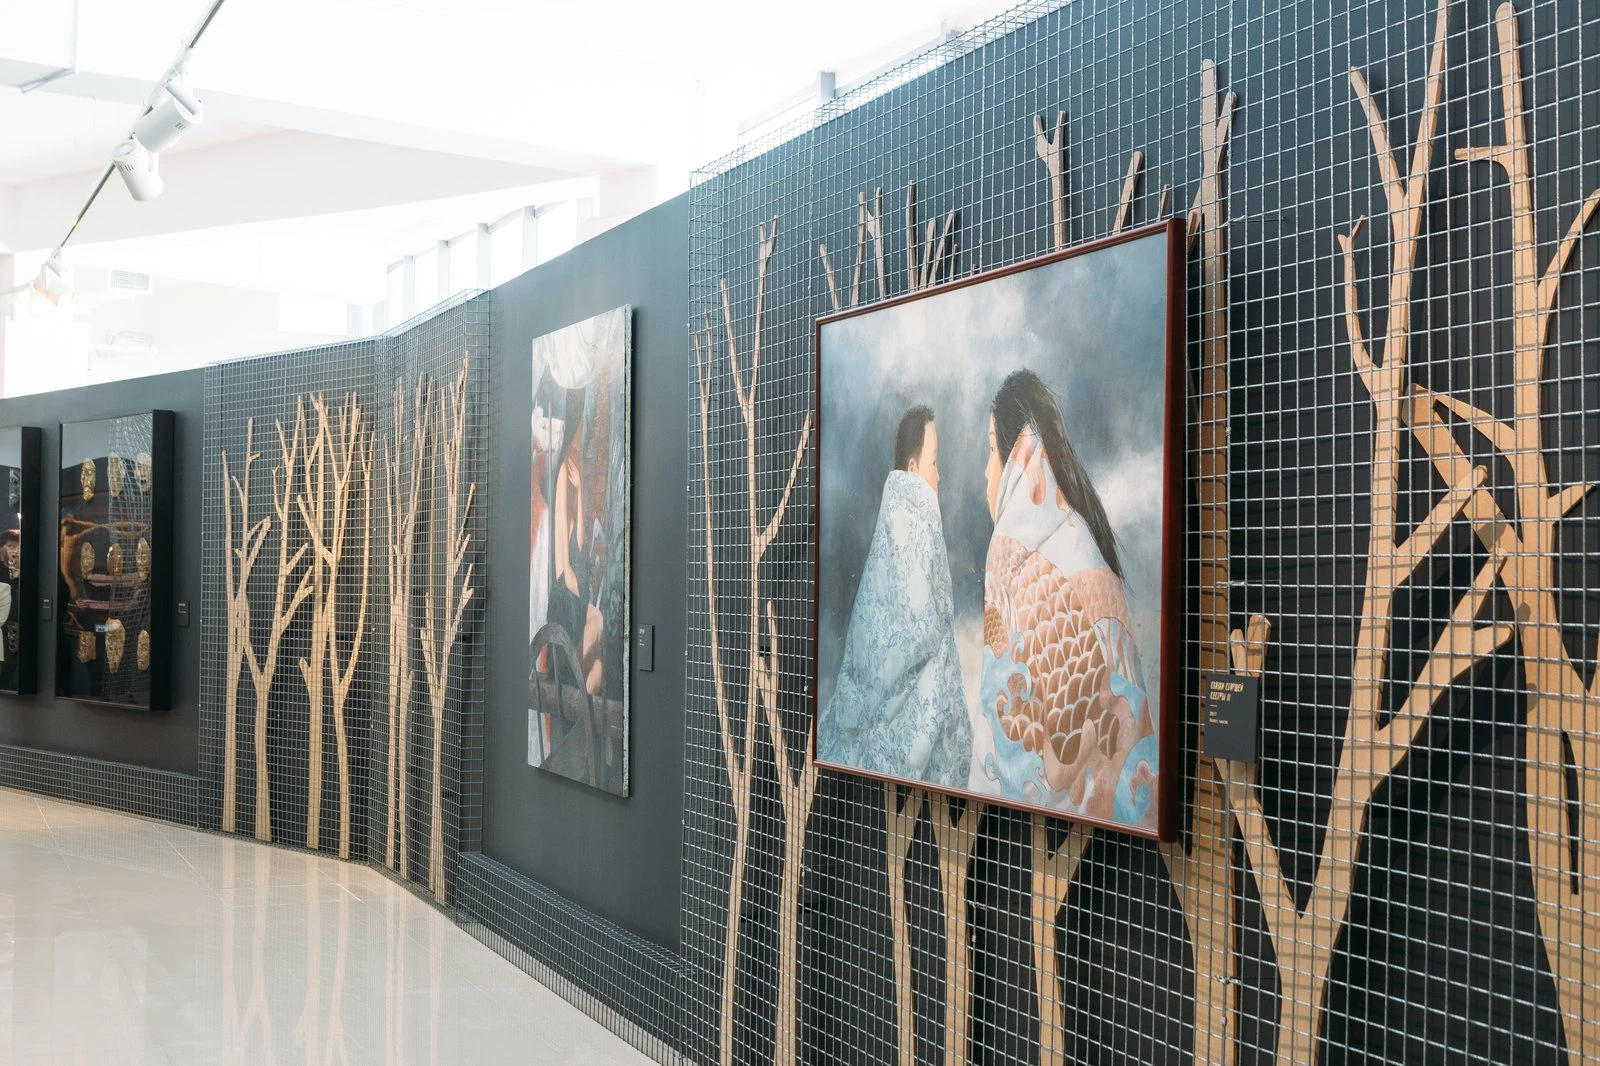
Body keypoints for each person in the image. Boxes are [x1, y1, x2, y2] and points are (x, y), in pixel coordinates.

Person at [977, 370, 1156, 830]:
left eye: (991, 452)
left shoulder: (1009, 553)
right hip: (1125, 819)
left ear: (1016, 457)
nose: (986, 471)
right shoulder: (1086, 544)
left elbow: (1004, 748)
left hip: (1040, 833)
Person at [819, 405, 971, 788]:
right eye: (934, 462)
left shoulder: (897, 517)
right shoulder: (913, 521)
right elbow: (918, 627)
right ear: (913, 467)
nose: (939, 475)